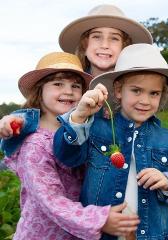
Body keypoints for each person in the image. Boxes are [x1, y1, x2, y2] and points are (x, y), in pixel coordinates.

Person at [53, 43, 168, 240]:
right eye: (136, 90)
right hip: (104, 233)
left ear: (161, 95)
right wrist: (78, 117)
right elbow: (66, 156)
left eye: (153, 93)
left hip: (155, 233)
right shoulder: (97, 128)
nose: (145, 100)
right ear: (119, 91)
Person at [1, 52, 140, 240]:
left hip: (78, 231)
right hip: (43, 234)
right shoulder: (34, 145)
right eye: (58, 84)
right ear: (39, 91)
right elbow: (51, 200)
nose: (68, 91)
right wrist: (99, 220)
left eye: (75, 86)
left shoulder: (86, 130)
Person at [0, 3, 152, 141]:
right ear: (85, 46)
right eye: (96, 37)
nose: (105, 45)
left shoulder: (135, 87)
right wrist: (16, 119)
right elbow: (45, 111)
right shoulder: (74, 84)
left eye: (114, 38)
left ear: (124, 48)